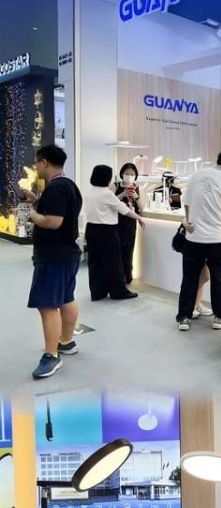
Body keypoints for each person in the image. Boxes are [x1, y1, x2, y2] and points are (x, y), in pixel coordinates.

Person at [25, 144, 82, 379]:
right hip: (67, 254)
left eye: (37, 162)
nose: (36, 166)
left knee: (48, 305)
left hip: (53, 257)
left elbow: (53, 221)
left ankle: (52, 355)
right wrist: (37, 201)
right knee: (66, 298)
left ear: (45, 162)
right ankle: (66, 342)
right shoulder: (68, 186)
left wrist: (33, 215)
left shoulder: (56, 189)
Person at [176, 150, 221, 332]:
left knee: (189, 278)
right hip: (218, 239)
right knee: (218, 279)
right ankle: (219, 318)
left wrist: (189, 220)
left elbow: (186, 202)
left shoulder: (197, 175)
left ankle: (184, 318)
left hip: (194, 237)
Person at [84, 164, 144, 301]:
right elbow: (125, 210)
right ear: (106, 178)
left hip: (91, 229)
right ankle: (118, 292)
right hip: (106, 231)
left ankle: (98, 292)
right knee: (113, 263)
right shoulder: (107, 194)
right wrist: (140, 218)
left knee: (95, 263)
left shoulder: (90, 192)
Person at [115, 162, 143, 284]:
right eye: (127, 173)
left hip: (130, 222)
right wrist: (123, 194)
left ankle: (127, 276)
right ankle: (118, 276)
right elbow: (109, 201)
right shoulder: (115, 185)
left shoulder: (137, 188)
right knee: (117, 250)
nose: (129, 176)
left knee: (128, 250)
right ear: (122, 174)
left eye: (132, 174)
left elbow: (141, 207)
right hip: (116, 221)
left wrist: (136, 196)